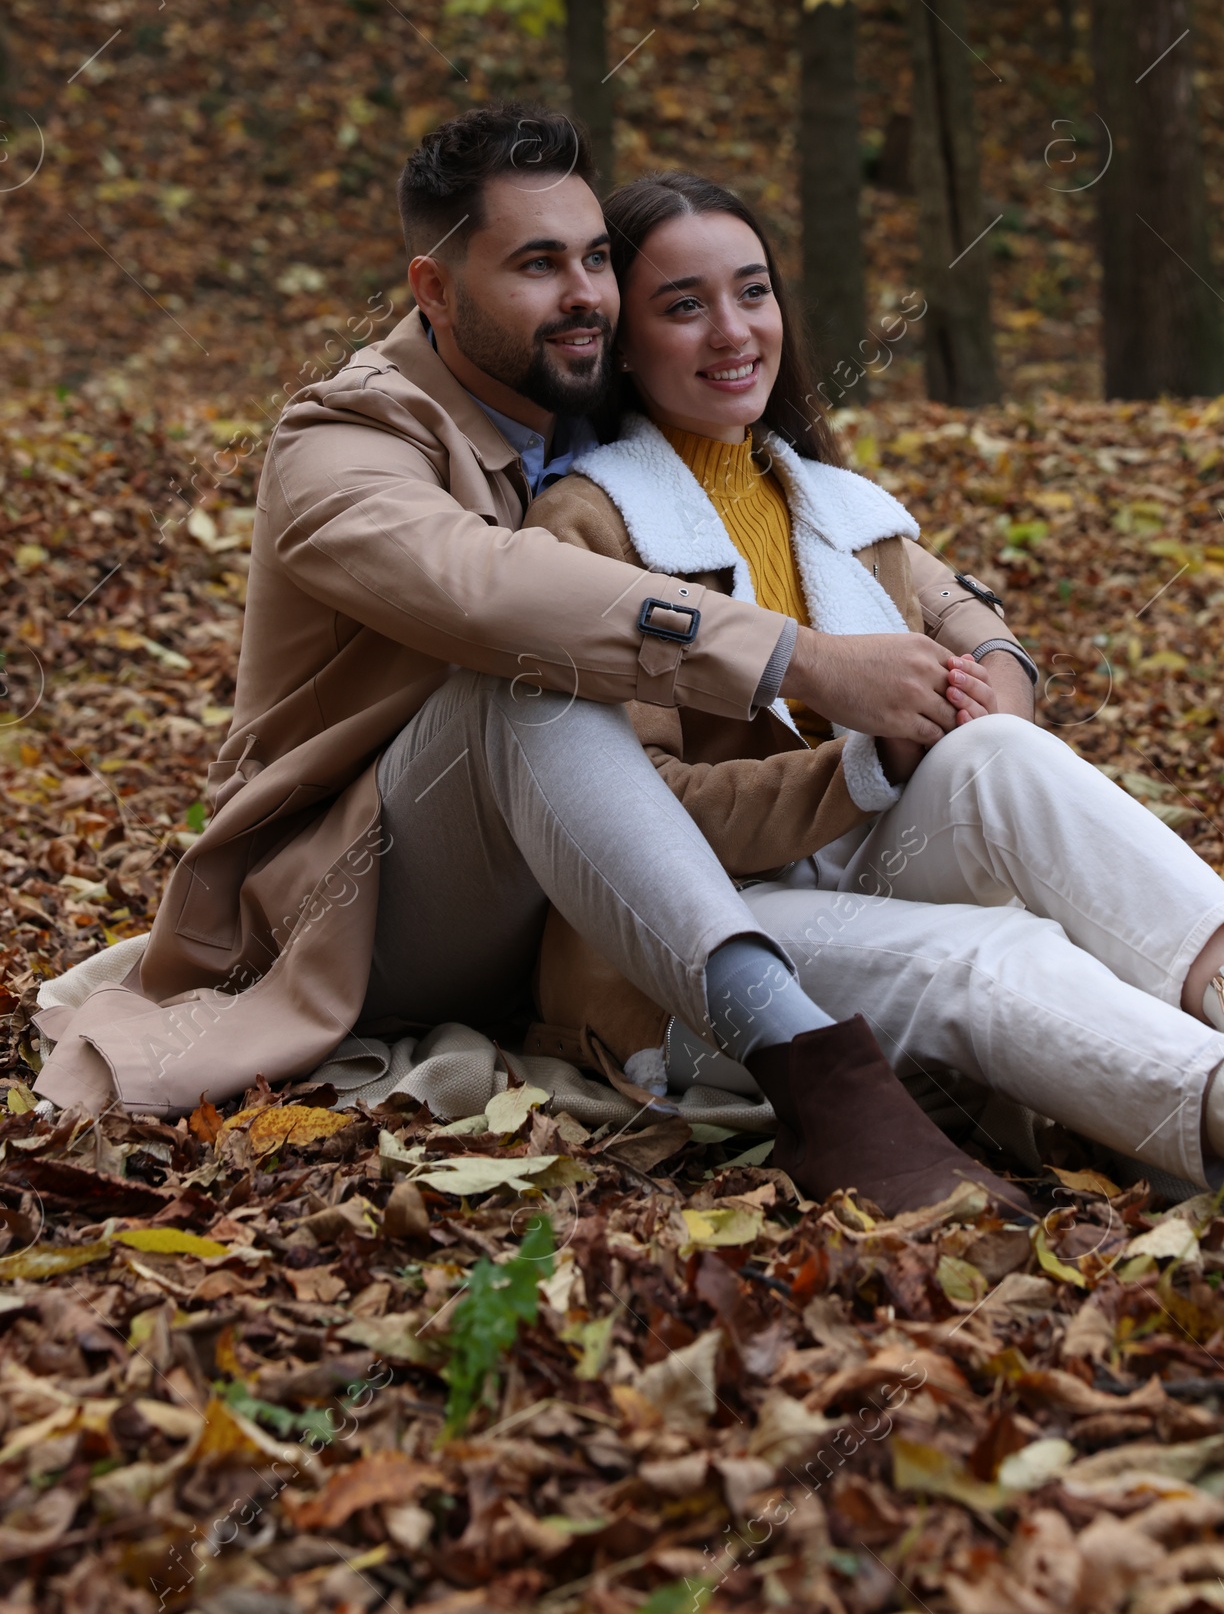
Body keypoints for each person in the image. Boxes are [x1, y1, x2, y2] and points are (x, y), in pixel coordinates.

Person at [523, 170, 1224, 1242]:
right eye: (684, 304)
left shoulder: (814, 493)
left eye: (753, 290)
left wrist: (991, 692)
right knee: (998, 951)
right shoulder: (589, 523)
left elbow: (966, 612)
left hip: (845, 861)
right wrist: (861, 762)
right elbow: (636, 821)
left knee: (999, 761)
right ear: (624, 342)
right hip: (698, 946)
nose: (733, 329)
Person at [35, 107, 1033, 1214]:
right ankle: (803, 1057)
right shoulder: (337, 448)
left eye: (598, 258)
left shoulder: (591, 416)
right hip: (358, 907)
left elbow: (850, 530)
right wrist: (801, 661)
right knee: (523, 680)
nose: (586, 295)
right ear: (433, 285)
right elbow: (487, 586)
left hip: (570, 909)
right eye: (538, 264)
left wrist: (985, 652)